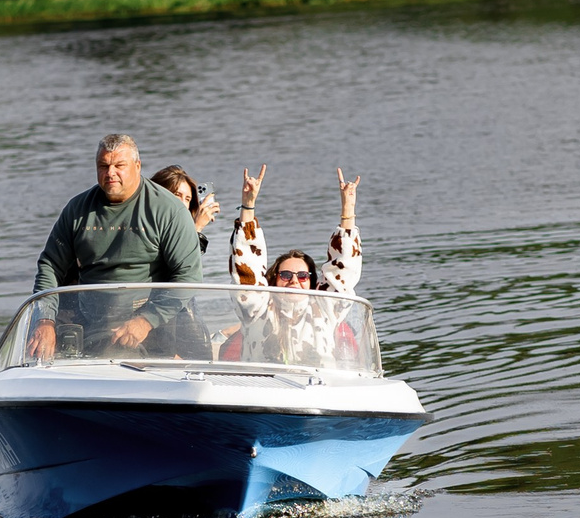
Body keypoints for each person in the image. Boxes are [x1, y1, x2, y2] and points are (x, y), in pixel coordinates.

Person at [28, 134, 202, 359]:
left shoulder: (169, 211)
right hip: (89, 323)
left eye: (119, 165)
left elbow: (189, 276)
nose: (110, 173)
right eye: (104, 166)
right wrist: (45, 321)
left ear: (137, 166)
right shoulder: (76, 210)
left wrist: (145, 321)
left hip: (149, 330)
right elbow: (50, 266)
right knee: (34, 354)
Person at [227, 165, 366, 367]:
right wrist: (248, 206)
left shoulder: (325, 308)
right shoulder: (257, 309)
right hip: (260, 389)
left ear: (311, 282)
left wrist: (348, 209)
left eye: (302, 276)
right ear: (274, 279)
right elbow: (246, 266)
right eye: (285, 275)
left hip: (316, 390)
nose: (294, 280)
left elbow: (343, 270)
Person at [147, 165, 222, 279]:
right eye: (177, 195)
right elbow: (174, 267)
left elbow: (188, 271)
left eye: (187, 199)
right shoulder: (147, 226)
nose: (182, 204)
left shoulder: (179, 230)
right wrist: (196, 228)